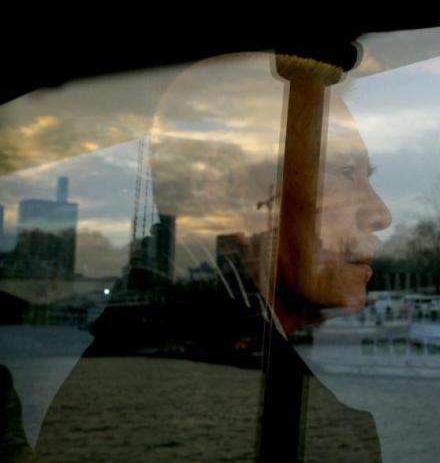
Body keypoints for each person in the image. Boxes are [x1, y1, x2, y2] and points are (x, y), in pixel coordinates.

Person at [32, 52, 391, 461]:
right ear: (226, 196)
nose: (381, 213)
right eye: (344, 172)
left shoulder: (132, 363)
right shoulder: (299, 427)